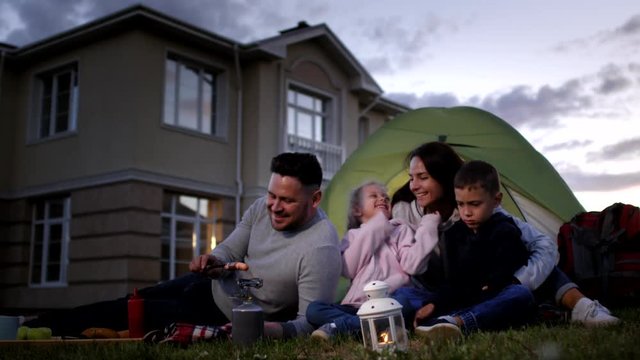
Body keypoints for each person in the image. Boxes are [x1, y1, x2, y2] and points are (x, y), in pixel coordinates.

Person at [25, 152, 343, 339]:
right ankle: (35, 324)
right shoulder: (261, 206)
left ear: (315, 199)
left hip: (219, 314)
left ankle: (41, 331)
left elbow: (309, 322)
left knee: (130, 315)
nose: (273, 206)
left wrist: (264, 329)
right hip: (206, 284)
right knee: (131, 301)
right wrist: (213, 259)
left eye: (286, 200)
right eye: (272, 195)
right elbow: (230, 250)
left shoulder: (320, 248)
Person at [392, 142, 619, 331]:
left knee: (525, 272)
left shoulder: (485, 210)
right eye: (411, 178)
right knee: (403, 295)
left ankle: (582, 306)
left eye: (422, 177)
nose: (414, 186)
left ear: (444, 177)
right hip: (441, 291)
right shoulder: (405, 211)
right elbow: (406, 266)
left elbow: (543, 245)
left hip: (487, 284)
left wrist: (516, 281)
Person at [408, 160, 534, 339]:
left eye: (475, 204)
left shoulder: (505, 231)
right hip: (458, 298)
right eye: (460, 204)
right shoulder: (452, 234)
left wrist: (474, 287)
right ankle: (437, 320)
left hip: (490, 299)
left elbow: (496, 281)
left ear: (496, 200)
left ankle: (458, 322)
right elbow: (453, 282)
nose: (466, 212)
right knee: (406, 294)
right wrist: (434, 303)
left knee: (520, 295)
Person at [305, 181, 439, 340]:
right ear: (357, 210)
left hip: (390, 302)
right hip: (357, 306)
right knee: (314, 309)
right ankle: (380, 327)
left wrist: (429, 225)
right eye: (374, 196)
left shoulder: (400, 230)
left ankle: (342, 326)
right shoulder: (353, 236)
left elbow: (412, 265)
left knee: (405, 305)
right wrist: (378, 224)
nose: (382, 199)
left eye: (385, 197)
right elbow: (348, 268)